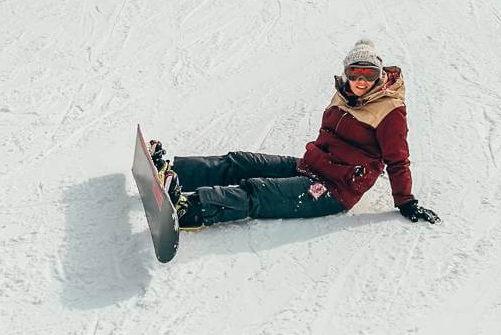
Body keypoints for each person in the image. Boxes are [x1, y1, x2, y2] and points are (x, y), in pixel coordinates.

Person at [150, 39, 440, 230]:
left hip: (334, 190)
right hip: (311, 165)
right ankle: (174, 170)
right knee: (240, 162)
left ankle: (191, 208)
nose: (361, 81)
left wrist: (406, 201)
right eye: (355, 74)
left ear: (379, 75)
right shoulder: (344, 95)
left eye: (369, 74)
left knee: (258, 191)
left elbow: (398, 160)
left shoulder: (390, 110)